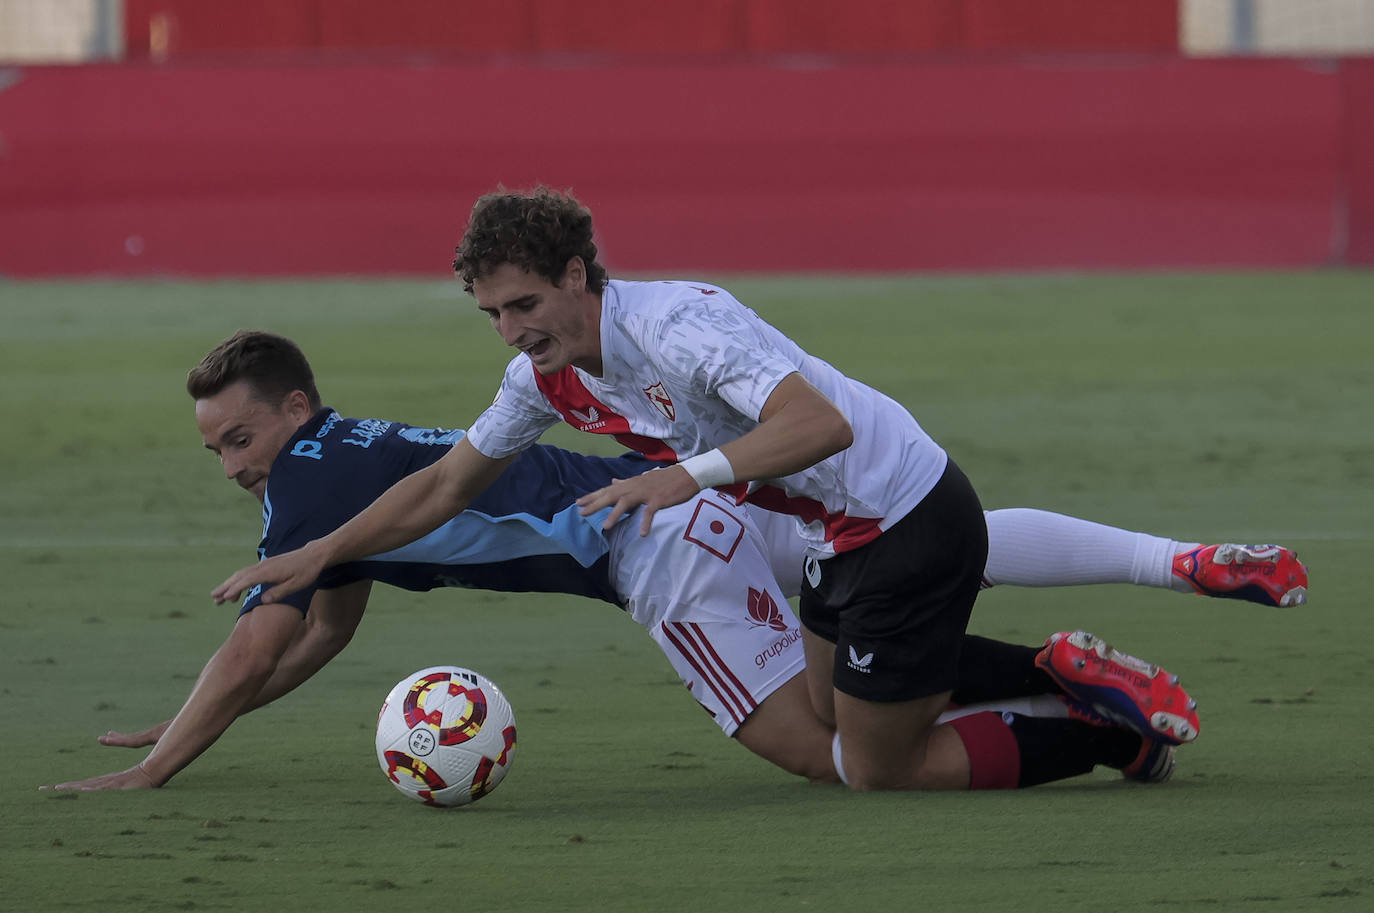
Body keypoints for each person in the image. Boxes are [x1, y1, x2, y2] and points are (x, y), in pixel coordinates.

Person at [212, 189, 1307, 790]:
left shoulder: (681, 323)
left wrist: (668, 482)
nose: (513, 329)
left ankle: (1103, 729)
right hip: (840, 535)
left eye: (527, 302)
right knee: (836, 712)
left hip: (895, 521)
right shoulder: (538, 374)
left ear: (584, 277)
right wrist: (319, 555)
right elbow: (450, 480)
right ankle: (1081, 652)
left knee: (870, 769)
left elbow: (816, 425)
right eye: (493, 313)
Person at [52, 331, 1292, 792]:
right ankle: (1150, 583)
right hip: (697, 492)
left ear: (294, 409)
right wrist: (184, 725)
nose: (233, 464)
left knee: (828, 749)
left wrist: (162, 765)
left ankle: (1079, 712)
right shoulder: (342, 450)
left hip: (653, 546)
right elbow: (324, 632)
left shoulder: (309, 491)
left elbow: (266, 626)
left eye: (241, 436)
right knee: (905, 546)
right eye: (216, 447)